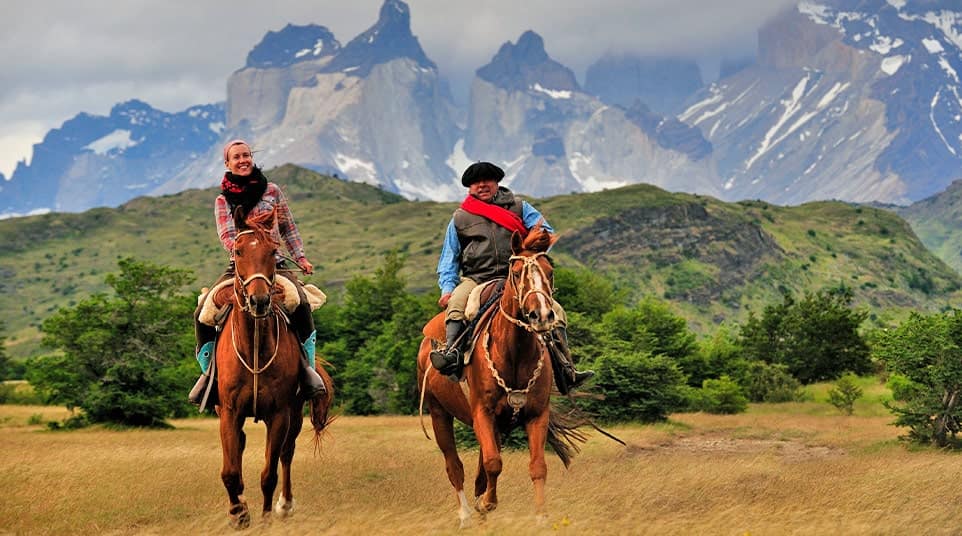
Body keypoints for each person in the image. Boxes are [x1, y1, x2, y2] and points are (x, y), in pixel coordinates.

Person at [429, 161, 593, 394]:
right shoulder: (460, 218)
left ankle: (566, 369)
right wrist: (447, 289)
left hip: (517, 276)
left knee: (555, 311)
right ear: (469, 188)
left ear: (497, 183)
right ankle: (452, 354)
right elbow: (449, 258)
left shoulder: (519, 207)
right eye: (476, 182)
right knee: (457, 304)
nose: (482, 185)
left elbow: (544, 231)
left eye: (488, 180)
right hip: (476, 278)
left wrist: (531, 246)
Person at [188, 139, 327, 408]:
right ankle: (209, 376)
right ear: (227, 164)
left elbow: (289, 228)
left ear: (252, 158)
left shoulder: (272, 191)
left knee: (300, 302)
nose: (243, 160)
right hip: (240, 266)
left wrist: (300, 257)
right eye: (236, 157)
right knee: (203, 312)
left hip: (274, 265)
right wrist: (249, 250)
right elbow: (228, 237)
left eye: (246, 155)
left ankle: (308, 371)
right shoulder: (222, 200)